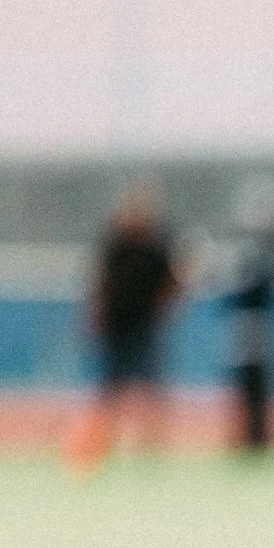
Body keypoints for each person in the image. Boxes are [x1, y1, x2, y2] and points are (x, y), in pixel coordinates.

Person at [75, 181, 183, 464]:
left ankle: (151, 444)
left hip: (145, 325)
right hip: (117, 325)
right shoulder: (115, 244)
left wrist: (164, 306)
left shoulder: (157, 246)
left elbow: (172, 281)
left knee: (152, 385)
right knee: (111, 386)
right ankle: (102, 441)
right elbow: (100, 280)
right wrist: (95, 313)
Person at [221, 174, 274, 454]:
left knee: (260, 380)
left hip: (258, 324)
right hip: (246, 324)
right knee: (245, 380)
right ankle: (247, 436)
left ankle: (260, 436)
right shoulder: (247, 247)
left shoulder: (267, 246)